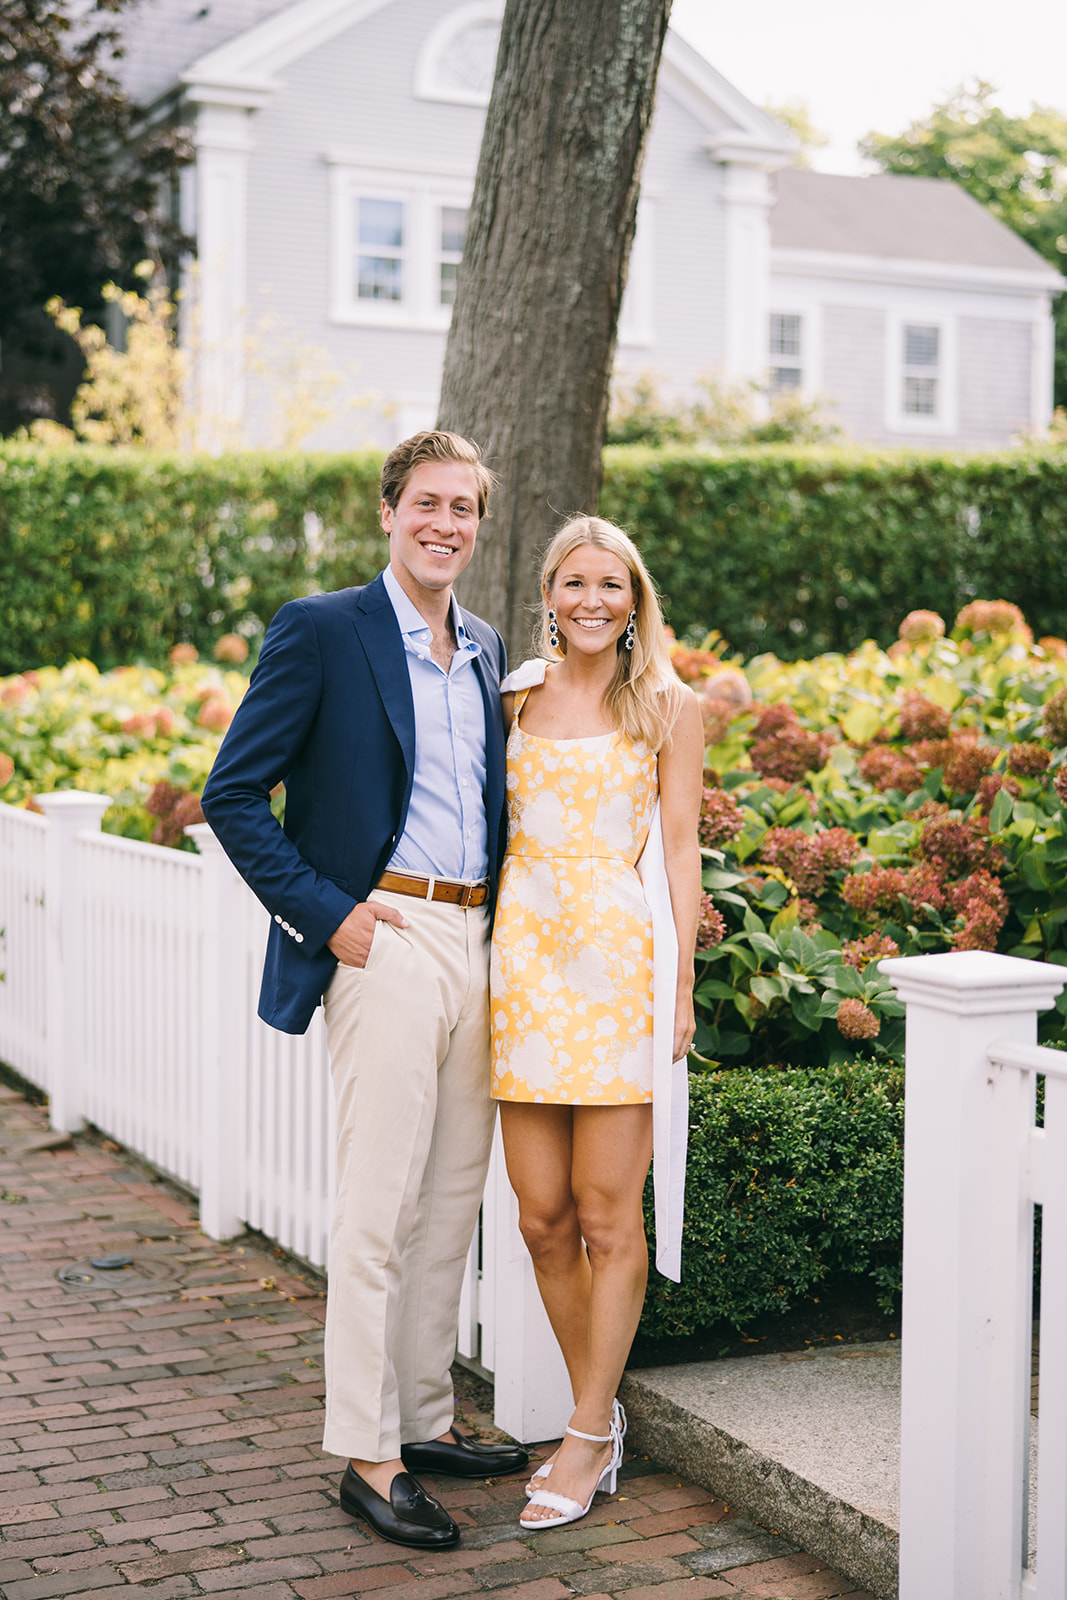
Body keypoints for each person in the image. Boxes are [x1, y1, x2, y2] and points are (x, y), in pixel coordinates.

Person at [200, 430, 529, 1553]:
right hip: (379, 931)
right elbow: (234, 794)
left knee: (449, 1201)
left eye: (464, 509)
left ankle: (423, 1418)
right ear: (389, 512)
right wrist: (328, 910)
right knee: (378, 1204)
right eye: (427, 503)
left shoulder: (484, 646)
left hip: (477, 933)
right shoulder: (321, 630)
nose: (445, 524)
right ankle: (364, 1450)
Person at [489, 514, 703, 1531]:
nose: (591, 599)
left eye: (610, 585)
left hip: (618, 970)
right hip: (520, 971)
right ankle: (600, 1412)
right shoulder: (512, 697)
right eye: (575, 582)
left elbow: (677, 853)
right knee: (540, 1218)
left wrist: (683, 985)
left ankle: (581, 1435)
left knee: (608, 1215)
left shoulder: (667, 703)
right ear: (548, 592)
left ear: (633, 600)